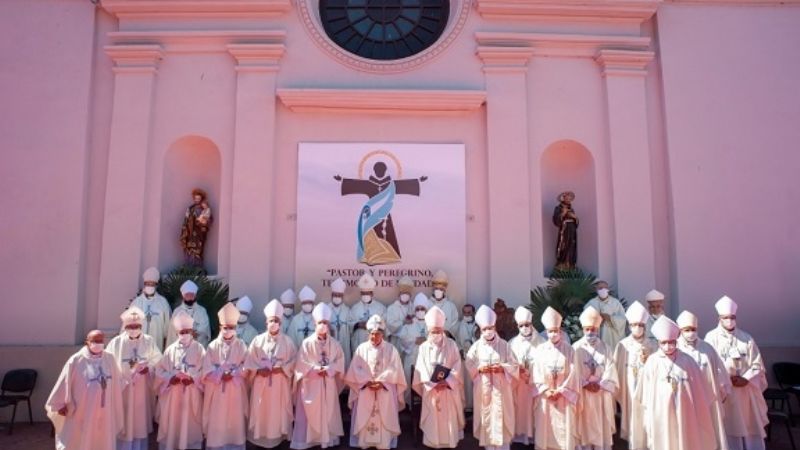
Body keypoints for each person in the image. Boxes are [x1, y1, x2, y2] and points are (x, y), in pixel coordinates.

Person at [635, 316, 716, 450]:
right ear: (659, 343)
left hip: (686, 411)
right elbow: (644, 393)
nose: (668, 346)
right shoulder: (652, 361)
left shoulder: (688, 361)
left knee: (686, 440)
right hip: (661, 413)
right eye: (664, 342)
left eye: (671, 342)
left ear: (676, 341)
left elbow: (701, 391)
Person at [704, 296, 769, 450]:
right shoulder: (711, 338)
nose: (729, 320)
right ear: (719, 318)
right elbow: (708, 364)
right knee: (728, 425)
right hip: (725, 391)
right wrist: (726, 378)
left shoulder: (746, 338)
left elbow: (757, 364)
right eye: (725, 318)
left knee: (749, 423)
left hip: (746, 392)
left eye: (732, 317)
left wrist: (746, 379)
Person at [46, 330, 124, 450]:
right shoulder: (76, 360)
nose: (98, 343)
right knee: (81, 439)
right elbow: (64, 381)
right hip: (83, 410)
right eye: (95, 341)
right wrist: (60, 404)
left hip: (105, 410)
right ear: (87, 342)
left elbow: (118, 382)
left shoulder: (110, 358)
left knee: (103, 438)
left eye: (101, 340)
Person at [346, 315, 407, 449]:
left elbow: (394, 369)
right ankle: (364, 442)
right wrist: (367, 381)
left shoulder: (391, 349)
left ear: (382, 334)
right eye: (372, 334)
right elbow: (355, 369)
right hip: (365, 388)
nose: (374, 337)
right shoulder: (361, 349)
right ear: (368, 334)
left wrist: (381, 382)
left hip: (384, 389)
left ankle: (383, 443)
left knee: (384, 413)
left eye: (377, 334)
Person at [291, 302, 346, 449]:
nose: (323, 325)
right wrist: (315, 369)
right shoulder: (306, 343)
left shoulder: (335, 344)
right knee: (309, 415)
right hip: (311, 384)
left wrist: (329, 369)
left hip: (328, 382)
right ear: (315, 323)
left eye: (326, 322)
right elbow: (301, 363)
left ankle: (327, 439)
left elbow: (340, 362)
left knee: (328, 412)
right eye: (320, 322)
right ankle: (307, 441)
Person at [464, 305, 519, 450]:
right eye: (484, 329)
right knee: (487, 416)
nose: (488, 331)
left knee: (502, 417)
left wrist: (502, 368)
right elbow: (469, 363)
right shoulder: (476, 347)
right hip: (484, 388)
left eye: (490, 328)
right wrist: (479, 369)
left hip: (502, 390)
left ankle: (503, 446)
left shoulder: (505, 345)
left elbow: (514, 365)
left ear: (494, 327)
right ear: (480, 330)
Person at [107, 307, 162, 450]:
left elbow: (158, 360)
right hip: (123, 389)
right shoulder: (116, 342)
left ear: (141, 326)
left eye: (136, 326)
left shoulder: (149, 341)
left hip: (142, 390)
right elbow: (108, 364)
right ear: (125, 327)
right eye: (130, 327)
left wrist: (148, 368)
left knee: (140, 421)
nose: (133, 329)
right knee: (124, 420)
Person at [246, 299, 297, 448]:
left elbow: (294, 361)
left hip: (279, 383)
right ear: (266, 323)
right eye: (270, 320)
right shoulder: (257, 340)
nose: (273, 323)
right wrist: (258, 370)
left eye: (276, 320)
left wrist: (283, 369)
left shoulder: (288, 342)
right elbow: (249, 361)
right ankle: (259, 436)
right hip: (261, 383)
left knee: (277, 411)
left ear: (280, 323)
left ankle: (278, 437)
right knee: (261, 409)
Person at [412, 305, 465, 448]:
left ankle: (449, 442)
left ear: (443, 330)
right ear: (429, 331)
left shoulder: (452, 345)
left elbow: (457, 365)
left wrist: (447, 381)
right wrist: (432, 384)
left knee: (448, 418)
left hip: (448, 389)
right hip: (431, 390)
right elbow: (420, 368)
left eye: (438, 331)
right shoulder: (423, 347)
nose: (435, 334)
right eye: (433, 331)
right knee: (433, 420)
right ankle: (432, 442)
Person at [676, 310, 730, 450]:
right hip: (686, 399)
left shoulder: (707, 348)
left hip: (709, 399)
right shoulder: (675, 349)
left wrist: (722, 390)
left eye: (693, 329)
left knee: (709, 429)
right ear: (680, 330)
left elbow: (720, 371)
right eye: (687, 330)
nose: (691, 332)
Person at [155, 311, 206, 450]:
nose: (184, 334)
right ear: (177, 333)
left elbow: (205, 370)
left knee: (190, 424)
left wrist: (193, 378)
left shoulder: (199, 348)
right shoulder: (170, 350)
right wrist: (171, 378)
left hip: (191, 393)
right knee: (173, 423)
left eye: (187, 331)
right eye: (181, 332)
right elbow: (160, 371)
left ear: (192, 331)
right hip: (173, 395)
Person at [202, 303, 249, 450]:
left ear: (235, 328)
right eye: (225, 327)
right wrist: (221, 374)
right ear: (221, 328)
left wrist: (234, 373)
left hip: (235, 389)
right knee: (218, 418)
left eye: (231, 327)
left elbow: (247, 365)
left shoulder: (241, 345)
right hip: (217, 391)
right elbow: (206, 368)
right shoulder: (212, 346)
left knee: (235, 418)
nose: (228, 330)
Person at [532, 306, 578, 450]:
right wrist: (545, 390)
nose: (553, 334)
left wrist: (562, 390)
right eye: (550, 331)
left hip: (563, 396)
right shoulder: (540, 350)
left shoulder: (569, 350)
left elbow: (574, 372)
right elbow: (536, 372)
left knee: (564, 428)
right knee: (546, 427)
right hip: (546, 396)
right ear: (546, 332)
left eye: (555, 331)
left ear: (560, 331)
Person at [613, 300, 657, 450]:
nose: (637, 328)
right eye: (634, 325)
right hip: (630, 391)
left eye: (640, 325)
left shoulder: (653, 345)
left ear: (645, 326)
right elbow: (617, 370)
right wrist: (620, 391)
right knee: (633, 419)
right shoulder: (622, 345)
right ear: (629, 326)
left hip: (649, 391)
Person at [573, 306, 618, 450]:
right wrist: (584, 383)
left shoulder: (606, 348)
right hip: (583, 393)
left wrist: (601, 384)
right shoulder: (575, 348)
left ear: (598, 329)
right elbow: (573, 371)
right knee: (584, 424)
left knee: (601, 424)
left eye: (593, 329)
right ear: (583, 329)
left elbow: (611, 369)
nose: (590, 332)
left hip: (601, 394)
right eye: (587, 329)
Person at [508, 306, 543, 445]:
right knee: (520, 408)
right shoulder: (512, 343)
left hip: (535, 383)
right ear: (517, 326)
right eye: (521, 326)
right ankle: (520, 434)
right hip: (519, 384)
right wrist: (518, 371)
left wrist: (533, 373)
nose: (525, 328)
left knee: (534, 409)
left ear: (531, 324)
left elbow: (545, 362)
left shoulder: (542, 342)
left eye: (527, 325)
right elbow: (509, 363)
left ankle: (534, 434)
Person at [128, 266, 172, 351]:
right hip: (138, 342)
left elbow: (168, 325)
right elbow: (128, 323)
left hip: (156, 341)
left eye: (152, 284)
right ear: (144, 284)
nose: (150, 286)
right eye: (148, 284)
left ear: (156, 285)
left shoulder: (163, 302)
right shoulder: (136, 302)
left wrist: (166, 342)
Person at [397, 292, 431, 402]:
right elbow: (402, 339)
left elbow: (436, 339)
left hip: (427, 359)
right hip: (411, 357)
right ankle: (409, 404)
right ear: (414, 310)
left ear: (426, 310)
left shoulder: (431, 324)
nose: (420, 311)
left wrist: (427, 340)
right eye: (418, 309)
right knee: (409, 380)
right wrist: (414, 341)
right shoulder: (409, 324)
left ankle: (425, 404)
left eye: (422, 309)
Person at [584, 281, 626, 351]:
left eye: (605, 288)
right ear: (596, 290)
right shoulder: (591, 303)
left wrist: (610, 318)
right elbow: (586, 320)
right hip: (598, 334)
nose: (603, 290)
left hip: (612, 335)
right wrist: (597, 319)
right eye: (600, 288)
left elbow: (623, 319)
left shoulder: (615, 302)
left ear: (608, 289)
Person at [167, 280, 211, 347]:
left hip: (197, 346)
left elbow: (204, 328)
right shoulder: (177, 311)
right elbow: (172, 331)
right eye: (187, 295)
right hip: (180, 346)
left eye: (192, 295)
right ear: (183, 296)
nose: (190, 297)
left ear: (195, 295)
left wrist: (195, 333)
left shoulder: (201, 311)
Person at [349, 273, 387, 350]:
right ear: (360, 294)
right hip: (359, 340)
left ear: (372, 293)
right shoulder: (355, 308)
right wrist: (358, 324)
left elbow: (385, 323)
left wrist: (375, 326)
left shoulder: (380, 307)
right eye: (363, 293)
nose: (365, 295)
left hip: (375, 339)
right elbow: (349, 323)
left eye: (367, 293)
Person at [180, 188, 213, 268]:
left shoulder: (205, 209)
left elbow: (209, 219)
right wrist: (185, 228)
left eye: (198, 198)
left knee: (197, 249)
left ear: (201, 199)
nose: (197, 200)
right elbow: (186, 219)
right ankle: (188, 266)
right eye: (195, 198)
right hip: (190, 232)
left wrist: (204, 222)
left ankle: (197, 267)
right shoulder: (190, 208)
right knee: (189, 248)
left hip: (199, 233)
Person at [456, 303, 478, 413]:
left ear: (474, 312)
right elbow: (457, 341)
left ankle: (476, 405)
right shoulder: (459, 325)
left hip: (476, 359)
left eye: (469, 312)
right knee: (466, 382)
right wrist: (460, 349)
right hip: (464, 358)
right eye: (464, 312)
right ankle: (467, 406)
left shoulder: (478, 325)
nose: (467, 314)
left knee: (475, 382)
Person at [328, 277, 353, 369]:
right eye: (335, 295)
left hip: (344, 343)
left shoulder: (347, 310)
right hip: (329, 343)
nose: (337, 297)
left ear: (342, 296)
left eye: (339, 295)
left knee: (344, 364)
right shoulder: (326, 309)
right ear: (331, 295)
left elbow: (351, 327)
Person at [386, 276, 415, 349]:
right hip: (396, 341)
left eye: (407, 293)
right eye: (403, 293)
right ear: (399, 294)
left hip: (410, 342)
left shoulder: (414, 308)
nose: (405, 295)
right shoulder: (392, 308)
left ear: (410, 295)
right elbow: (389, 324)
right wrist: (403, 322)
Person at [553, 191, 578, 269]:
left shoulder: (572, 209)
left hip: (572, 230)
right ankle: (562, 263)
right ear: (563, 198)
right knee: (564, 244)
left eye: (570, 198)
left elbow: (576, 221)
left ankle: (570, 264)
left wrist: (575, 218)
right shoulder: (558, 208)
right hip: (564, 229)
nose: (569, 199)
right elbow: (555, 220)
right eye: (567, 198)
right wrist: (563, 213)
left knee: (572, 246)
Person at [430, 270, 460, 335]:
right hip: (430, 338)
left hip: (446, 339)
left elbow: (456, 322)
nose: (438, 291)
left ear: (444, 290)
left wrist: (449, 333)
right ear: (433, 289)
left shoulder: (451, 306)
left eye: (441, 289)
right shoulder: (427, 304)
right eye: (436, 288)